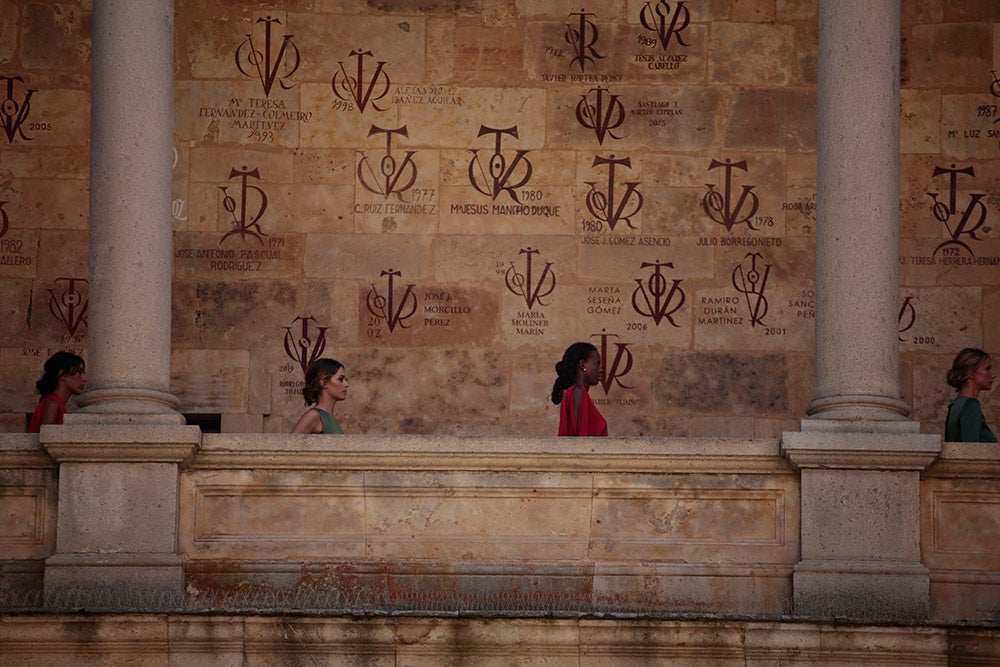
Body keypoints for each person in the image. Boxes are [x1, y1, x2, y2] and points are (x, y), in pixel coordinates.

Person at [551, 341, 607, 436]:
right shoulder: (577, 392)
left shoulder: (575, 393)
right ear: (582, 365)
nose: (601, 370)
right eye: (597, 364)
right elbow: (579, 440)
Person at [945, 347, 997, 442]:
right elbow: (971, 450)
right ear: (970, 373)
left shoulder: (957, 405)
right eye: (987, 369)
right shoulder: (970, 405)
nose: (993, 375)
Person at [27, 351, 86, 433]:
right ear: (62, 375)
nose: (84, 379)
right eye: (79, 372)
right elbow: (47, 439)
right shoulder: (52, 404)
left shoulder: (56, 404)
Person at [291, 358, 349, 434]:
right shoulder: (314, 416)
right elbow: (289, 443)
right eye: (340, 379)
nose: (346, 384)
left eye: (346, 379)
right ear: (324, 383)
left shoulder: (329, 417)